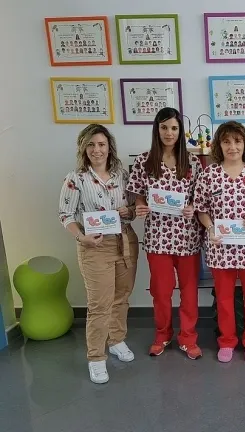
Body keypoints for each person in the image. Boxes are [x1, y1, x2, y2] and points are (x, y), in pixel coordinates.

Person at [58, 124, 139, 384]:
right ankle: (96, 357)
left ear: (109, 147)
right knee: (99, 304)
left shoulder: (122, 175)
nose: (97, 150)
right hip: (94, 246)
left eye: (101, 144)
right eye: (91, 145)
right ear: (84, 148)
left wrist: (130, 211)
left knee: (121, 297)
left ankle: (116, 340)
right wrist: (81, 237)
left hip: (125, 241)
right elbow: (66, 215)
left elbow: (134, 208)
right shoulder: (76, 178)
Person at [126, 107, 204, 360]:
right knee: (161, 292)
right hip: (157, 237)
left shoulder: (192, 162)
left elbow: (199, 197)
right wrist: (140, 205)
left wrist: (192, 207)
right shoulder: (144, 160)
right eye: (164, 127)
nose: (169, 133)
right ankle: (162, 335)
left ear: (180, 131)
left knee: (189, 292)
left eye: (174, 128)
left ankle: (188, 337)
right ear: (156, 129)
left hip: (187, 237)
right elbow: (137, 193)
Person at [194, 121, 245, 363]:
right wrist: (210, 227)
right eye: (226, 141)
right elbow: (202, 209)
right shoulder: (209, 174)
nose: (232, 146)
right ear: (219, 145)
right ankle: (226, 340)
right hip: (220, 246)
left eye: (237, 141)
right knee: (224, 297)